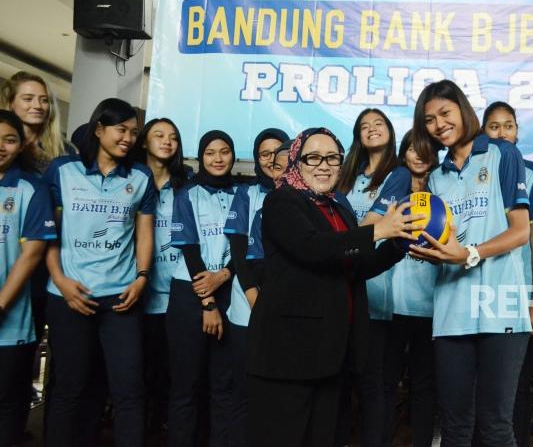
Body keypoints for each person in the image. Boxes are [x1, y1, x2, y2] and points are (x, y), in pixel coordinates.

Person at [245, 127, 419, 447]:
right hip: (290, 355)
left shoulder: (339, 207)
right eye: (313, 157)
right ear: (296, 161)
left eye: (332, 158)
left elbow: (357, 267)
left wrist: (397, 245)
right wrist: (377, 230)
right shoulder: (281, 201)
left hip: (333, 353)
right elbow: (313, 247)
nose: (324, 165)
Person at [408, 80, 531, 447]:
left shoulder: (501, 155)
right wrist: (427, 249)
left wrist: (469, 253)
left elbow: (521, 231)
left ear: (463, 110)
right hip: (451, 314)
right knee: (455, 427)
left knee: (495, 426)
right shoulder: (436, 178)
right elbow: (443, 244)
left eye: (445, 113)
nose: (438, 124)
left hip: (501, 311)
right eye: (429, 119)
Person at [44, 98, 156, 447]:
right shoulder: (63, 170)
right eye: (121, 129)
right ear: (99, 128)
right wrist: (61, 282)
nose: (128, 138)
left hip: (121, 298)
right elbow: (48, 234)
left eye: (134, 133)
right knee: (69, 389)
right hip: (69, 295)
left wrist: (141, 277)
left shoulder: (140, 176)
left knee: (128, 389)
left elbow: (144, 232)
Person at [480, 101, 533, 447]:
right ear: (482, 131)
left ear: (517, 130)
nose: (501, 133)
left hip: (516, 296)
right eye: (493, 126)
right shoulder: (472, 168)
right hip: (474, 291)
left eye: (507, 125)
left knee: (513, 390)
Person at [337, 109, 411, 447]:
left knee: (373, 384)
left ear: (390, 131)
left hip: (374, 292)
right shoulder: (344, 174)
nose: (371, 129)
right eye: (364, 126)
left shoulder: (397, 175)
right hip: (338, 287)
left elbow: (373, 223)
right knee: (338, 381)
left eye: (378, 123)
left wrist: (335, 242)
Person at [167, 130, 237, 446]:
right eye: (210, 152)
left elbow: (244, 245)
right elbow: (189, 247)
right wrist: (207, 303)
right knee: (186, 385)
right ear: (201, 157)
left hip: (230, 290)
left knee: (223, 385)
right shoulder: (187, 194)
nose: (218, 158)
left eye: (224, 152)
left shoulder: (243, 194)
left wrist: (223, 276)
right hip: (190, 294)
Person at [223, 127, 289, 446]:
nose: (272, 159)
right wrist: (254, 298)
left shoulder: (300, 195)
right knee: (245, 392)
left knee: (279, 395)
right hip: (247, 309)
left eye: (279, 152)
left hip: (287, 311)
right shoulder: (246, 194)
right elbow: (238, 251)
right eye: (264, 153)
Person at [0, 110, 56, 447]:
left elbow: (33, 252)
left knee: (8, 403)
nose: (1, 146)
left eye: (9, 140)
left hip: (11, 324)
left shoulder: (29, 189)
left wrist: (2, 302)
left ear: (21, 146)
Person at [133, 117, 190, 437]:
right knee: (139, 373)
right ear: (144, 141)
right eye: (159, 135)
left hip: (177, 296)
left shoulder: (187, 185)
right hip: (137, 293)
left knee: (173, 374)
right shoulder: (131, 181)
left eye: (173, 137)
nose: (167, 141)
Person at [382, 130, 440, 447]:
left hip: (430, 306)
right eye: (411, 148)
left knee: (424, 384)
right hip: (390, 306)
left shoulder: (446, 192)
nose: (417, 154)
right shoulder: (390, 191)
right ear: (402, 153)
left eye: (425, 149)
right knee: (386, 382)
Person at [0, 71, 73, 173]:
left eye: (44, 100)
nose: (38, 106)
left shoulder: (65, 149)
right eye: (28, 99)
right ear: (11, 102)